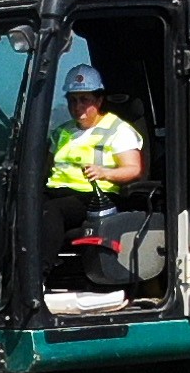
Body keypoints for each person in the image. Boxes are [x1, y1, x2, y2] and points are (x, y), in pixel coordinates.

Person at [43, 65, 146, 285]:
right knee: (18, 205)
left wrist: (104, 172)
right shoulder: (62, 131)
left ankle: (35, 279)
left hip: (96, 197)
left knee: (49, 211)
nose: (77, 106)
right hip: (57, 192)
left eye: (84, 100)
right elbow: (46, 169)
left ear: (98, 101)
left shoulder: (118, 130)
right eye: (72, 100)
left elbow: (134, 169)